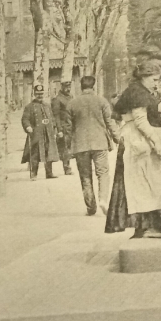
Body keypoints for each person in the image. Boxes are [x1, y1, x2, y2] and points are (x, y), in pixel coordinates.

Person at [112, 60, 161, 239]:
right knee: (142, 184)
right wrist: (157, 142)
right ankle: (145, 228)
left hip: (141, 139)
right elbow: (141, 121)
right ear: (144, 77)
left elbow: (155, 110)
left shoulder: (143, 91)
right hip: (136, 141)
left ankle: (155, 225)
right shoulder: (136, 92)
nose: (157, 82)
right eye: (154, 78)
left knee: (153, 182)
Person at [65, 75, 118, 216]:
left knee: (85, 176)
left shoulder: (72, 103)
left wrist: (68, 146)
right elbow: (110, 122)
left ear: (81, 87)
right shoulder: (101, 101)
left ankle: (90, 206)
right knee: (103, 173)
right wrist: (117, 138)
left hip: (80, 144)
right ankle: (103, 200)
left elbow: (68, 128)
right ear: (93, 86)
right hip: (99, 142)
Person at [20, 83, 60, 180]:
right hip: (36, 134)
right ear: (34, 94)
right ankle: (34, 174)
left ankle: (49, 173)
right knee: (35, 154)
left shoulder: (47, 106)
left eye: (41, 94)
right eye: (37, 94)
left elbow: (52, 119)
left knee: (49, 153)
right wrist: (28, 126)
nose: (39, 96)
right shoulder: (29, 107)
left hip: (48, 133)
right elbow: (25, 119)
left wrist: (54, 129)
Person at [50, 81, 75, 176]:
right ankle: (67, 168)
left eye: (69, 87)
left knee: (69, 147)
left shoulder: (71, 97)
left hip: (71, 126)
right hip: (63, 127)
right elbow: (56, 116)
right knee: (64, 148)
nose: (68, 89)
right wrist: (59, 130)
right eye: (66, 87)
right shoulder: (57, 100)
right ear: (62, 87)